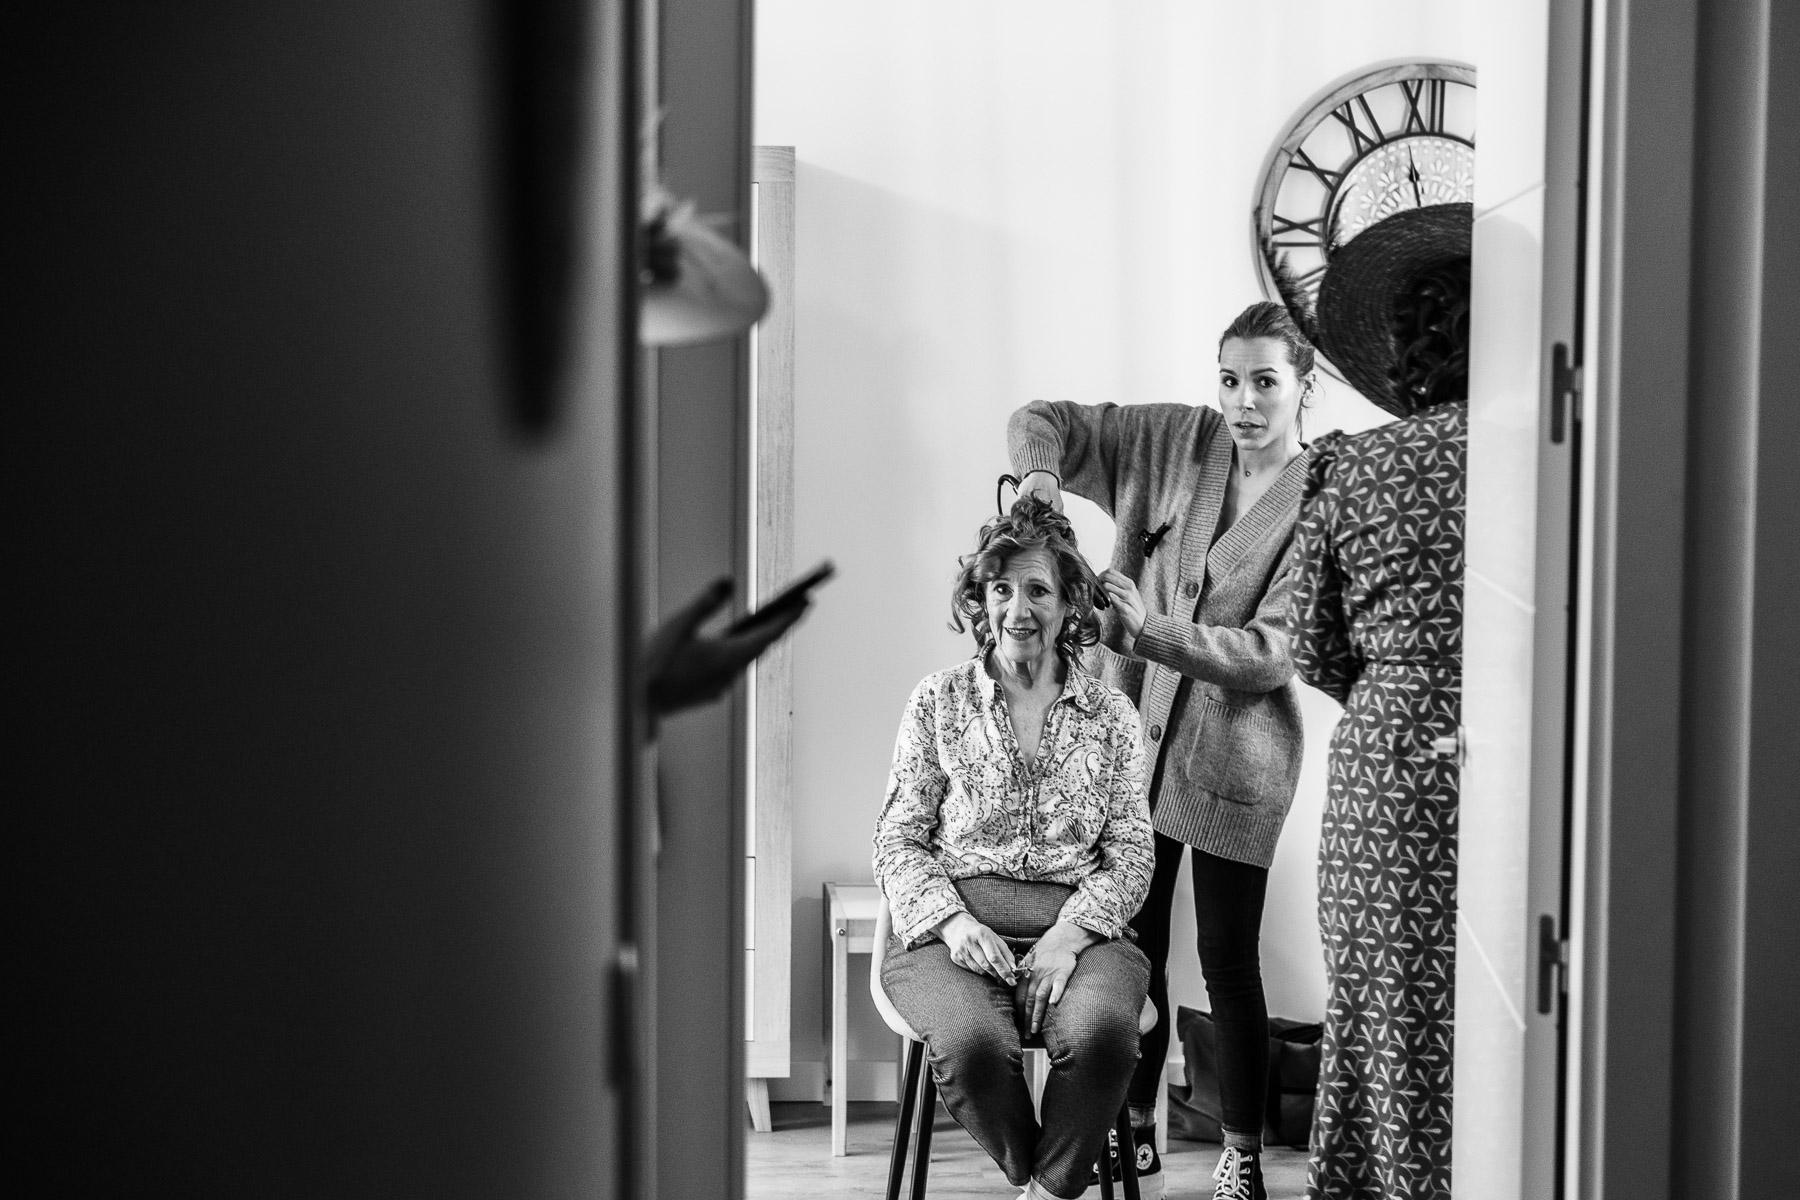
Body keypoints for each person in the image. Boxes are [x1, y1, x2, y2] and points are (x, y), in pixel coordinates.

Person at [1007, 302, 1319, 1200]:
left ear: (1305, 385)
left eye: (1266, 381)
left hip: (1235, 761)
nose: (1245, 402)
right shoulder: (1174, 443)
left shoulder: (1318, 499)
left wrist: (1150, 634)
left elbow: (1269, 653)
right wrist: (1038, 482)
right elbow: (1044, 422)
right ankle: (1131, 1129)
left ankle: (1241, 1155)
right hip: (1128, 748)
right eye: (1230, 379)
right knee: (1132, 946)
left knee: (1227, 956)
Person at [872, 499, 1155, 1200]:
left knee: (1101, 1038)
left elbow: (1132, 850)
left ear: (1068, 607)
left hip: (1084, 930)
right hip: (952, 931)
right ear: (980, 600)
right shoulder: (937, 700)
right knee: (969, 1046)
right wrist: (954, 923)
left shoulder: (1112, 714)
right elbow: (898, 836)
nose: (1017, 609)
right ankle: (1042, 1179)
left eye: (1037, 590)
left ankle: (1046, 1191)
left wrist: (1068, 937)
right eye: (1000, 589)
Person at [1282, 203, 1471, 1200]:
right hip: (1532, 772)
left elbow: (1312, 647)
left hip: (1389, 786)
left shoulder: (1357, 470)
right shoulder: (1565, 465)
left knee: (1381, 1023)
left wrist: (1404, 689)